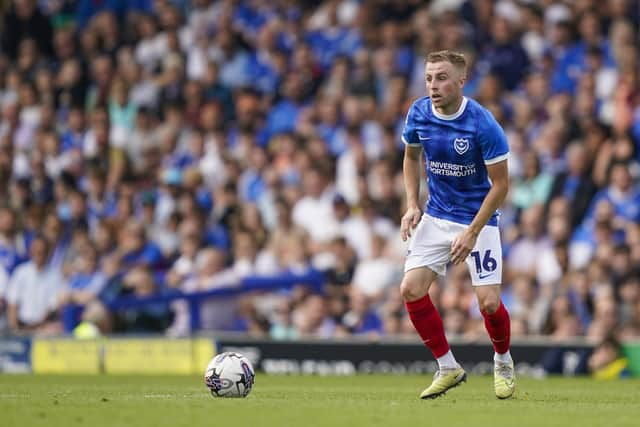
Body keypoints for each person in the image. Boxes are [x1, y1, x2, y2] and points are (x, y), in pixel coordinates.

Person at [400, 50, 514, 399]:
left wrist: (473, 231)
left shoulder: (482, 124)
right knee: (410, 289)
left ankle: (503, 360)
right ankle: (448, 367)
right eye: (429, 78)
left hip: (477, 218)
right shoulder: (419, 112)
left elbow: (501, 185)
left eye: (442, 78)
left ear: (462, 81)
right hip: (436, 214)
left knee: (489, 304)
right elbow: (410, 156)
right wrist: (411, 204)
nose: (434, 86)